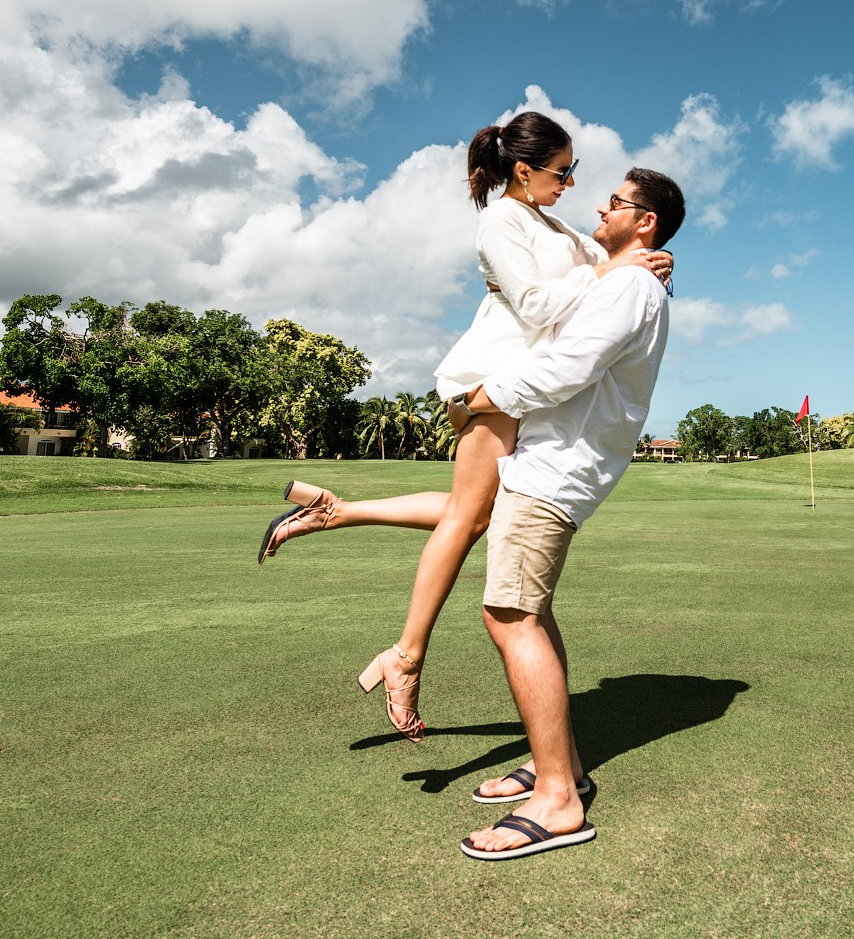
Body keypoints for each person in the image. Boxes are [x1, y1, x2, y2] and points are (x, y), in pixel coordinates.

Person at [256, 112, 672, 742]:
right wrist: (612, 271)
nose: (573, 185)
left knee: (474, 508)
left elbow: (612, 262)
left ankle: (335, 512)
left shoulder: (550, 221)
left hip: (513, 381)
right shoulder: (501, 219)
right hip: (492, 376)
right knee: (469, 518)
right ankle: (405, 657)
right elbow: (539, 301)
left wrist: (643, 260)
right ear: (524, 170)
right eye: (564, 172)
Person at [450, 167, 684, 860]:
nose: (599, 207)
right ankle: (564, 764)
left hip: (556, 469)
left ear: (645, 221)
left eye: (615, 202)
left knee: (510, 614)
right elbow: (568, 256)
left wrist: (476, 397)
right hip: (549, 464)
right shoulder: (626, 274)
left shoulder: (633, 286)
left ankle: (556, 800)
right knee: (533, 611)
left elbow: (564, 367)